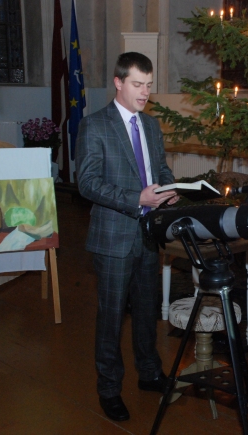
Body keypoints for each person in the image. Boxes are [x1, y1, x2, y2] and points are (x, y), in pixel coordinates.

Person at [76, 52, 180, 422]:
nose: (145, 92)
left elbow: (160, 168)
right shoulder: (95, 125)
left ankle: (149, 373)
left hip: (148, 234)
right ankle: (109, 389)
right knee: (112, 317)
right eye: (137, 84)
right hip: (113, 237)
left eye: (149, 85)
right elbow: (87, 183)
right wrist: (137, 199)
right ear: (118, 82)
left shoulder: (150, 125)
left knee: (147, 310)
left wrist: (170, 187)